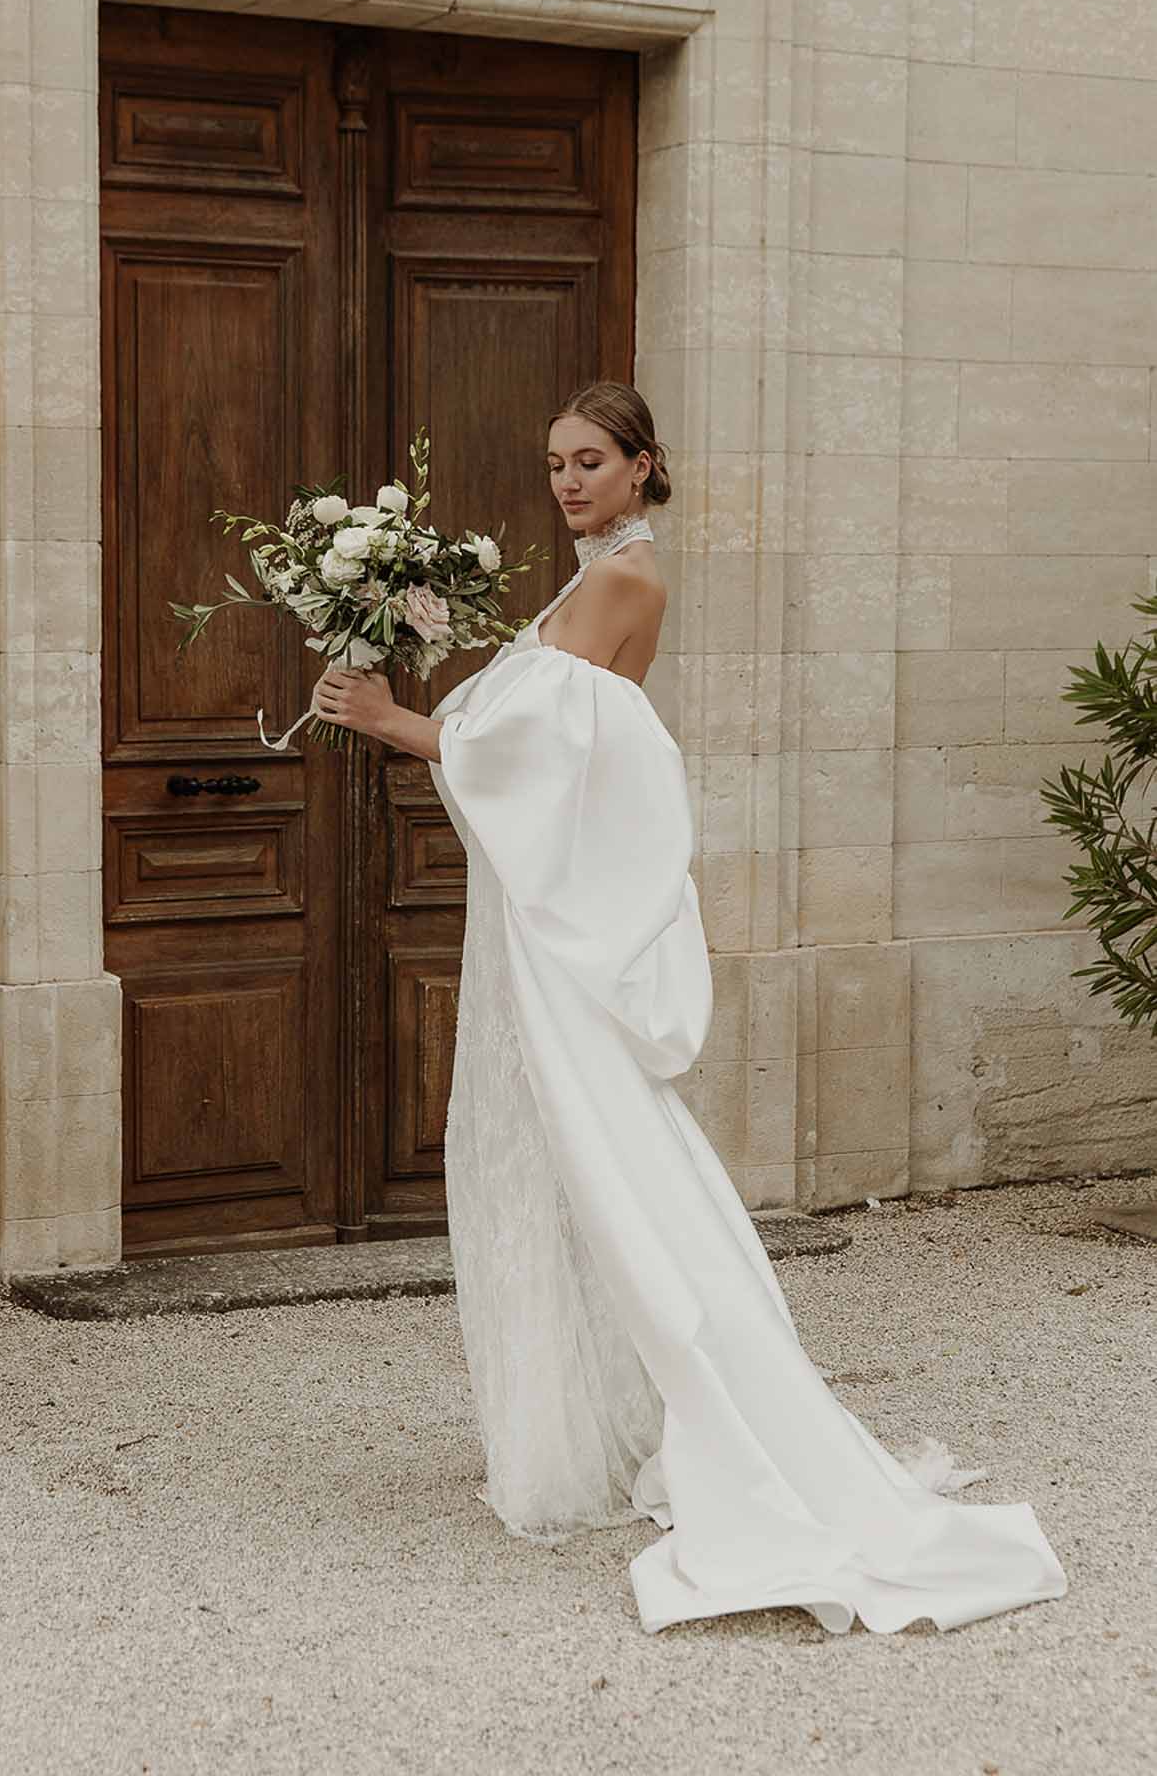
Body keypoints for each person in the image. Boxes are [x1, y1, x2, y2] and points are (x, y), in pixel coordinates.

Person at [313, 380, 1068, 1637]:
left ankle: (722, 1400)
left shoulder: (625, 581)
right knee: (590, 1147)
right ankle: (610, 1410)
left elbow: (534, 761)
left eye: (590, 459)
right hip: (538, 920)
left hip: (559, 934)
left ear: (642, 465)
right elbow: (545, 739)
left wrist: (395, 720)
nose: (567, 479)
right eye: (554, 460)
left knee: (608, 1149)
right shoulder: (593, 577)